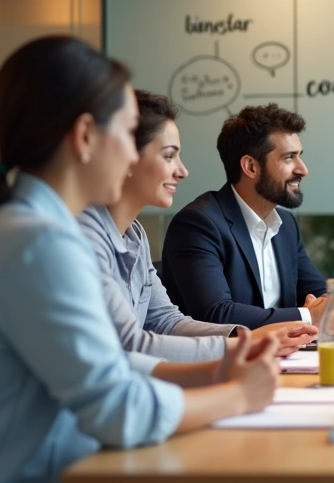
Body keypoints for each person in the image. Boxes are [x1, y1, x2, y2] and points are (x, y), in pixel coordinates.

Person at [0, 36, 280, 483]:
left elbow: (111, 365)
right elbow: (117, 410)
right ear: (85, 136)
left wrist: (216, 370)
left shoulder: (31, 229)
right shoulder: (38, 243)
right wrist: (239, 395)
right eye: (126, 133)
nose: (131, 153)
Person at [78, 90, 318, 362]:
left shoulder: (135, 234)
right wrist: (248, 345)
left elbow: (166, 320)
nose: (182, 171)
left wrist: (254, 339)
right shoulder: (83, 234)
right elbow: (127, 345)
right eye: (169, 156)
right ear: (126, 156)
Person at [161, 103, 334, 330]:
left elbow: (316, 293)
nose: (302, 169)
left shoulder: (286, 227)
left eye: (299, 156)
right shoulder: (198, 224)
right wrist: (309, 316)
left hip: (285, 358)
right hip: (223, 362)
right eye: (288, 158)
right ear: (250, 167)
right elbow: (216, 314)